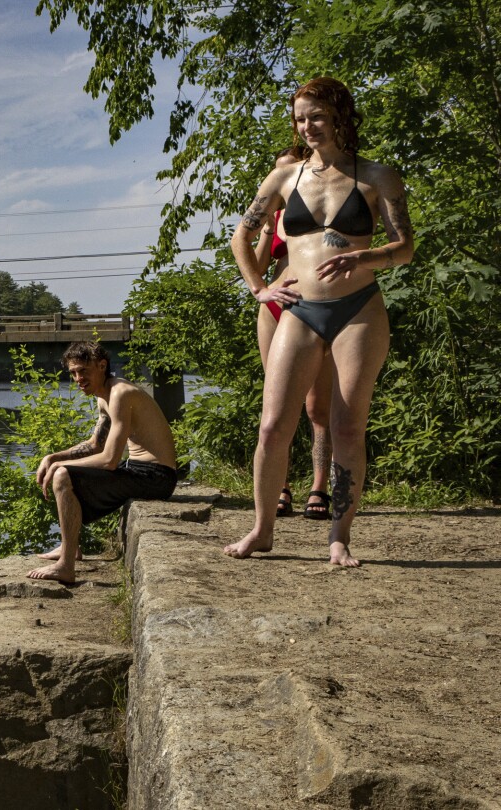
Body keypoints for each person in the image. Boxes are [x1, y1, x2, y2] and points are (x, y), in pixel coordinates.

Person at [224, 77, 413, 566]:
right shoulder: (284, 178)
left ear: (341, 116)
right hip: (299, 309)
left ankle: (338, 538)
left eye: (317, 116)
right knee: (272, 427)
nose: (307, 126)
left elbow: (405, 248)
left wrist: (364, 258)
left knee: (348, 427)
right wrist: (259, 288)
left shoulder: (377, 177)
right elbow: (240, 239)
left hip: (359, 311)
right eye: (300, 117)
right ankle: (262, 530)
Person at [28, 341, 180, 584]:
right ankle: (70, 548)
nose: (78, 378)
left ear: (102, 366)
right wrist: (54, 457)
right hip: (140, 471)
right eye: (74, 372)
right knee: (63, 471)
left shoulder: (121, 393)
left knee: (62, 476)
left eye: (84, 371)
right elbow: (95, 445)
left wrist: (60, 468)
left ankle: (65, 566)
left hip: (157, 477)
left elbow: (109, 460)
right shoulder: (104, 396)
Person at [254, 149, 334, 521]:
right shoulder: (274, 217)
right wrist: (269, 227)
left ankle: (319, 487)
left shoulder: (320, 207)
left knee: (317, 406)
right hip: (274, 307)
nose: (282, 178)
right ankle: (280, 486)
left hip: (314, 306)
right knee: (276, 405)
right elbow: (256, 267)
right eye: (278, 171)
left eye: (288, 170)